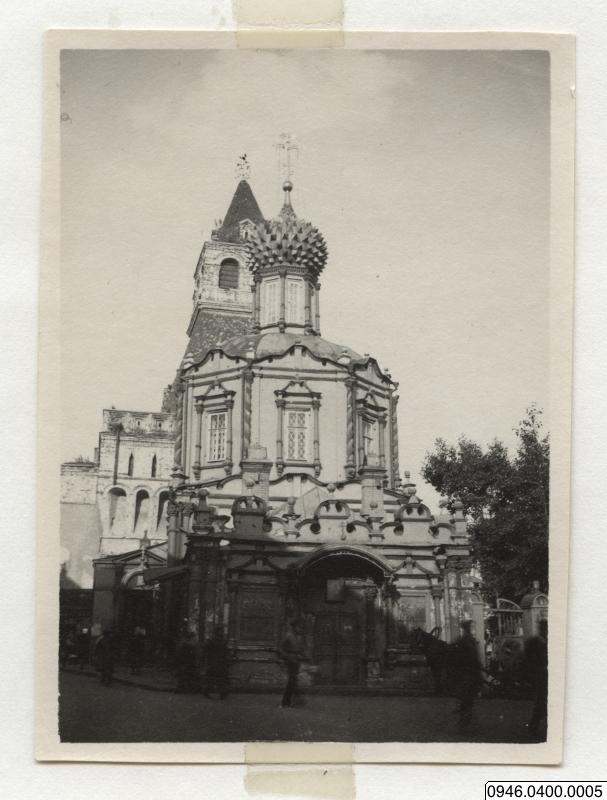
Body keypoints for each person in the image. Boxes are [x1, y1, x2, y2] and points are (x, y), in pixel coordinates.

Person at [450, 620, 483, 729]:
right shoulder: (467, 641)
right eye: (468, 627)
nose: (469, 629)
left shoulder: (464, 641)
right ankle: (465, 720)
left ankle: (464, 720)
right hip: (468, 672)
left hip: (467, 673)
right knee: (467, 698)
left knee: (466, 698)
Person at [523, 619, 548, 740]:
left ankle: (535, 725)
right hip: (541, 675)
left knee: (542, 702)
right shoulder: (536, 642)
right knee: (542, 701)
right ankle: (534, 726)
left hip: (543, 674)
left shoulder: (538, 641)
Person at [278, 619, 307, 708]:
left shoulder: (299, 637)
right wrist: (288, 657)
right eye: (298, 627)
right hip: (290, 661)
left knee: (293, 681)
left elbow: (301, 649)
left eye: (301, 627)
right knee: (292, 681)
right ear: (294, 627)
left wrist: (303, 656)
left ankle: (291, 702)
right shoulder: (288, 636)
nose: (300, 629)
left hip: (296, 660)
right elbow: (280, 649)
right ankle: (286, 702)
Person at [202, 626, 230, 699]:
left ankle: (220, 692)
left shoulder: (213, 640)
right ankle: (221, 692)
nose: (222, 633)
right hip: (217, 662)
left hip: (216, 662)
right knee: (217, 678)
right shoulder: (219, 641)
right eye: (221, 631)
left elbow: (205, 650)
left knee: (215, 678)